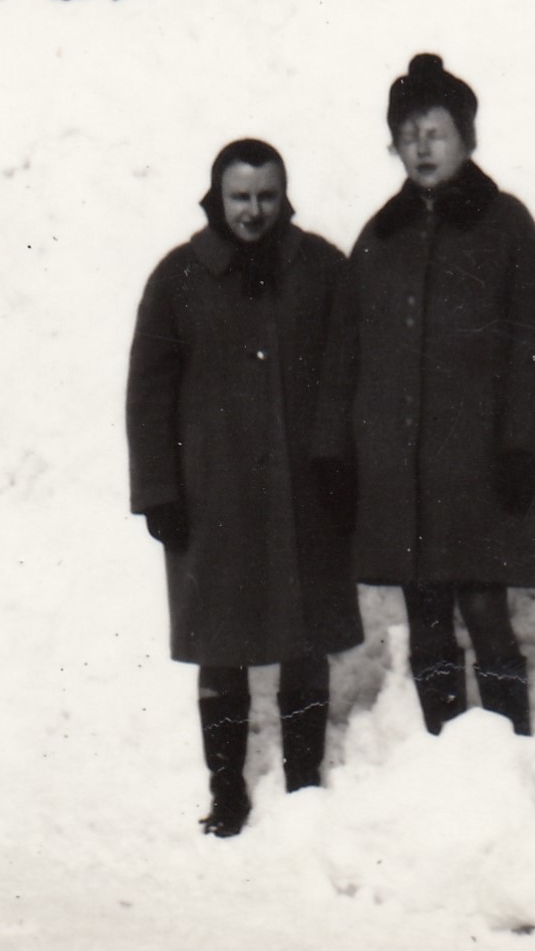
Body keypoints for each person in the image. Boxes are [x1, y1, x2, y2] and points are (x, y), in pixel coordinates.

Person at [320, 53, 535, 737]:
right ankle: (443, 747)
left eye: (436, 132)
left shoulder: (506, 225)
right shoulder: (381, 235)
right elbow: (345, 355)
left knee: (485, 609)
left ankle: (509, 744)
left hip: (479, 468)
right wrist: (338, 451)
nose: (422, 147)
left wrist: (523, 446)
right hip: (401, 475)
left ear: (467, 138)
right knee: (425, 616)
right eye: (408, 135)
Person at [125, 138, 362, 838]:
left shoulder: (321, 268)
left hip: (304, 489)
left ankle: (303, 778)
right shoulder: (178, 278)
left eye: (266, 196)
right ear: (216, 197)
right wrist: (159, 489)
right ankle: (227, 787)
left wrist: (340, 459)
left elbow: (351, 370)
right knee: (219, 643)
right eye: (239, 197)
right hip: (213, 495)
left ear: (283, 196)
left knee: (303, 637)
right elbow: (148, 394)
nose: (253, 211)